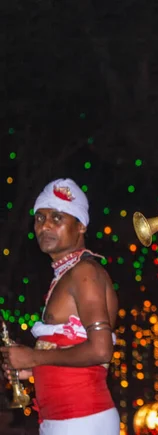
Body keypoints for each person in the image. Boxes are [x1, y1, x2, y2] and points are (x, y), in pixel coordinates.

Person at [1, 178, 119, 435]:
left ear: (81, 226)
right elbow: (71, 349)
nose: (45, 226)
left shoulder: (85, 272)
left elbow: (101, 350)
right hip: (60, 420)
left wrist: (34, 357)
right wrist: (32, 370)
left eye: (57, 218)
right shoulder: (66, 275)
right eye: (39, 218)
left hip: (82, 419)